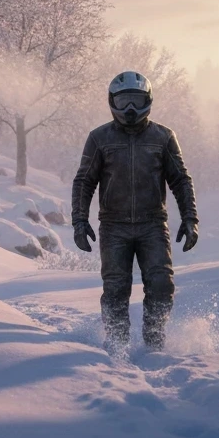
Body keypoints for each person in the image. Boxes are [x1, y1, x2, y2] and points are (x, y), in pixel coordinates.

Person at [71, 71, 198, 352]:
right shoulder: (98, 138)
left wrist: (190, 218)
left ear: (148, 101)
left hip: (153, 224)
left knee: (162, 286)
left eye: (136, 100)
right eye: (124, 100)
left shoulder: (164, 137)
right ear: (112, 101)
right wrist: (79, 221)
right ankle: (117, 345)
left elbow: (181, 179)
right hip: (114, 226)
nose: (130, 108)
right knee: (115, 290)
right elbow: (84, 181)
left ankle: (155, 343)